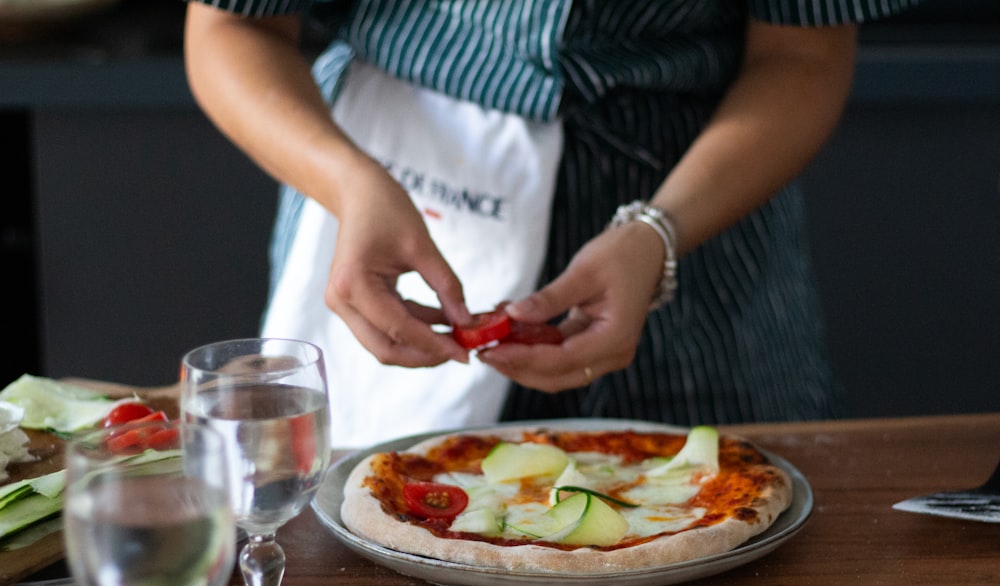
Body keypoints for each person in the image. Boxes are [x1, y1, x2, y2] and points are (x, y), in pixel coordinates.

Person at [183, 0, 920, 446]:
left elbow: (804, 56)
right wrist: (348, 184)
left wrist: (660, 231)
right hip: (390, 177)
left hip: (696, 231)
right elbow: (229, 29)